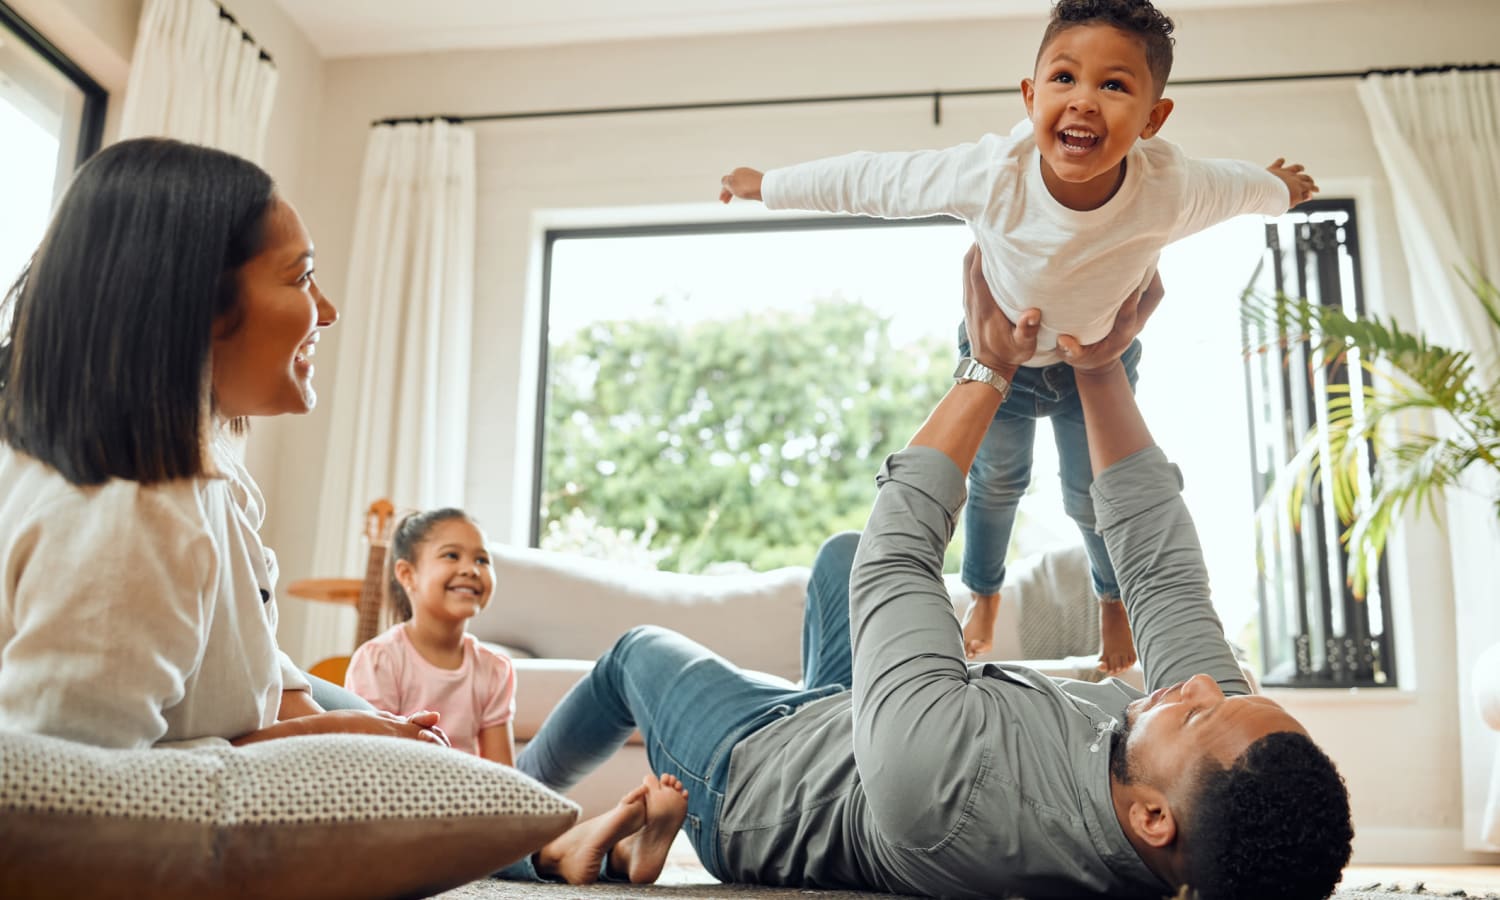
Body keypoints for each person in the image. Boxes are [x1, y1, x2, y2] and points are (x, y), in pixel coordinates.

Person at [512, 248, 1353, 899]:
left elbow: (898, 558)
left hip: (755, 779)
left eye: (1202, 714)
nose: (1200, 686)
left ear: (1152, 818)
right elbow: (1164, 576)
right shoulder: (1186, 785)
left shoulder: (948, 798)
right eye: (1231, 694)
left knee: (635, 654)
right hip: (858, 727)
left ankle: (508, 825)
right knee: (836, 555)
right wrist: (1100, 367)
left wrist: (987, 367)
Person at [0, 137, 682, 887]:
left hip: (278, 687)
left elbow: (252, 657)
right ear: (195, 303)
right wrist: (327, 739)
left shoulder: (200, 475)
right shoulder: (128, 517)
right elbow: (70, 804)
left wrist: (331, 721)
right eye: (301, 277)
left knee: (391, 732)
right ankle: (552, 844)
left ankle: (552, 844)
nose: (327, 310)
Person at [719, 0, 1320, 675]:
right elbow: (874, 178)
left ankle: (1111, 599)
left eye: (1114, 85)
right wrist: (768, 185)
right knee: (995, 482)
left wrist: (1280, 189)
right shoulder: (992, 173)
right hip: (1001, 360)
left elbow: (1239, 187)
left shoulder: (1170, 187)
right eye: (1064, 78)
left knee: (1090, 495)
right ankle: (984, 590)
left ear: (1154, 118)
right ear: (1031, 95)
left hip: (1095, 361)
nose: (1084, 102)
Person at [345, 508, 519, 764]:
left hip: (469, 796)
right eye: (452, 555)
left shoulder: (494, 669)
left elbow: (504, 776)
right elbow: (370, 762)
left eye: (482, 560)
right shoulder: (379, 660)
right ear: (407, 574)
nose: (471, 569)